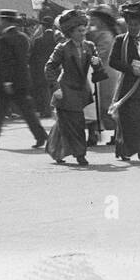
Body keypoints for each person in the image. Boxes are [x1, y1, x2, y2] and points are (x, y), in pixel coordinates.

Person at [44, 9, 107, 165]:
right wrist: (55, 87)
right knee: (76, 123)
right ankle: (80, 155)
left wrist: (97, 64)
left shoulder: (90, 46)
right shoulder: (62, 48)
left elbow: (98, 67)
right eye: (79, 31)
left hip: (81, 89)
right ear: (70, 33)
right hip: (65, 89)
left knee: (64, 123)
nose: (82, 33)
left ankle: (55, 151)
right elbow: (49, 67)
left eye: (83, 30)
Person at [0, 9, 49, 150]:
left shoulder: (5, 39)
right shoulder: (23, 37)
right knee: (27, 111)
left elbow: (6, 62)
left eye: (1, 20)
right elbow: (23, 59)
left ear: (5, 21)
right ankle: (40, 136)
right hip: (22, 80)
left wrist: (6, 81)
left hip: (8, 82)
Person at [109, 0, 140, 162]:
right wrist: (131, 68)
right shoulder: (120, 40)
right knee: (124, 119)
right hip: (125, 86)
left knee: (138, 119)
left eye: (136, 25)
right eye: (130, 25)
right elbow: (112, 61)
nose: (133, 28)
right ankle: (123, 150)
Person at [87, 6, 120, 145]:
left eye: (96, 17)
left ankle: (118, 132)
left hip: (105, 73)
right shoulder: (96, 32)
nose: (93, 19)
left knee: (105, 105)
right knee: (94, 105)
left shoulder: (106, 35)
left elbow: (102, 53)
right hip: (97, 71)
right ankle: (93, 134)